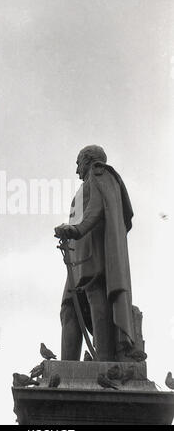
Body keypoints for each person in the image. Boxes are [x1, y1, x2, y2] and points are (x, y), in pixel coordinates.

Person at [55, 145, 135, 361]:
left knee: (94, 294)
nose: (76, 170)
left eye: (78, 163)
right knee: (68, 308)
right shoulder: (85, 185)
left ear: (88, 160)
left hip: (93, 248)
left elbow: (97, 208)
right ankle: (67, 367)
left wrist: (76, 230)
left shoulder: (100, 173)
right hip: (76, 253)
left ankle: (104, 361)